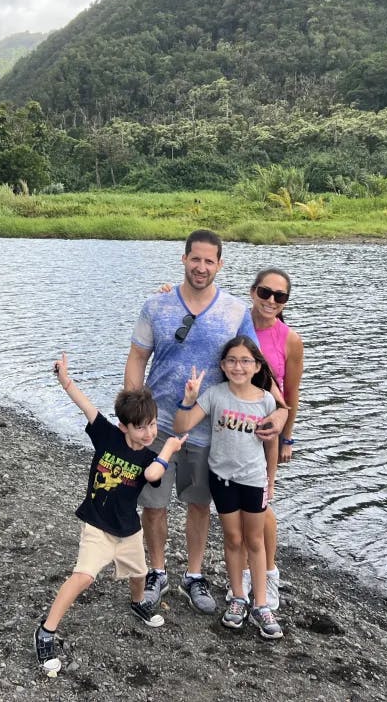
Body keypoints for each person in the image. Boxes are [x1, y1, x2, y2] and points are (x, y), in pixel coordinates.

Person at [124, 229, 287, 615]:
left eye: (209, 261)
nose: (201, 267)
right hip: (157, 426)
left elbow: (254, 364)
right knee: (154, 504)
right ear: (184, 259)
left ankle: (194, 575)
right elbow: (136, 358)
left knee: (199, 506)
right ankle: (158, 571)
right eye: (194, 259)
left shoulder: (234, 311)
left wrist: (281, 409)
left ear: (219, 264)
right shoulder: (156, 305)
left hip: (207, 428)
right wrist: (133, 417)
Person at [34, 353, 187, 672]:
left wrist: (166, 450)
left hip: (128, 528)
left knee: (138, 573)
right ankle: (46, 632)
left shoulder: (149, 455)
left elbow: (153, 476)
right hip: (98, 525)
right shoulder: (107, 436)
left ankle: (138, 604)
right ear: (124, 426)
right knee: (84, 576)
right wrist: (64, 380)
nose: (148, 432)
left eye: (153, 425)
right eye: (141, 427)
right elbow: (85, 405)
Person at [174, 336, 283, 638]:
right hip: (222, 479)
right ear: (222, 365)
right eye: (232, 361)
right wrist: (189, 397)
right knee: (233, 539)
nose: (238, 366)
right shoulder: (214, 395)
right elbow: (182, 425)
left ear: (256, 366)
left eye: (245, 361)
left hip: (254, 480)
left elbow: (271, 445)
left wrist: (270, 479)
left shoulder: (266, 400)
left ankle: (261, 604)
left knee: (255, 541)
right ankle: (238, 597)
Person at [236, 268, 304, 611]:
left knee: (261, 505)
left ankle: (268, 572)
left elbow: (291, 391)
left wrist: (287, 438)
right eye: (265, 292)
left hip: (267, 431)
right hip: (231, 425)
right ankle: (243, 575)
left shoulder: (289, 338)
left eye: (280, 296)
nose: (271, 301)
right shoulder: (235, 320)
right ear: (253, 291)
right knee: (234, 507)